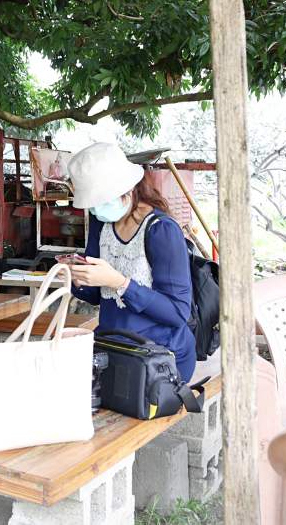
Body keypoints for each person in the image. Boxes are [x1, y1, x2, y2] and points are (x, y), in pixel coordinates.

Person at [66, 142, 196, 381]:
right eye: (91, 205)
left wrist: (121, 283)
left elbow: (177, 313)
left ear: (128, 190)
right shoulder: (101, 223)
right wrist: (78, 278)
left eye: (101, 201)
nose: (95, 210)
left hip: (158, 357)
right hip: (112, 347)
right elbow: (96, 295)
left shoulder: (161, 231)